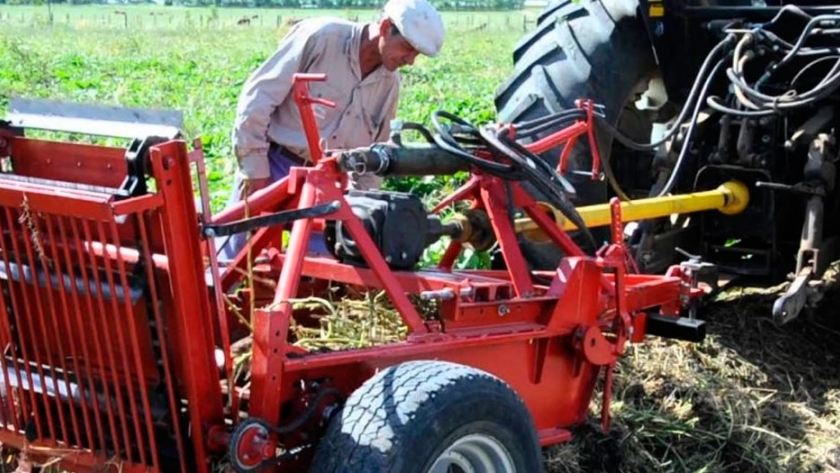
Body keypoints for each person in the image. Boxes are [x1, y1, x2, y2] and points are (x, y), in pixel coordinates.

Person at [218, 0, 445, 260]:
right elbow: (257, 99)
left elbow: (377, 150)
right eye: (408, 48)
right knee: (236, 261)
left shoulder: (389, 83)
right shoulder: (322, 38)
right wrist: (255, 168)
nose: (411, 61)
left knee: (324, 270)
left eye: (417, 54)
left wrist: (364, 207)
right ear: (385, 27)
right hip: (275, 168)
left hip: (330, 184)